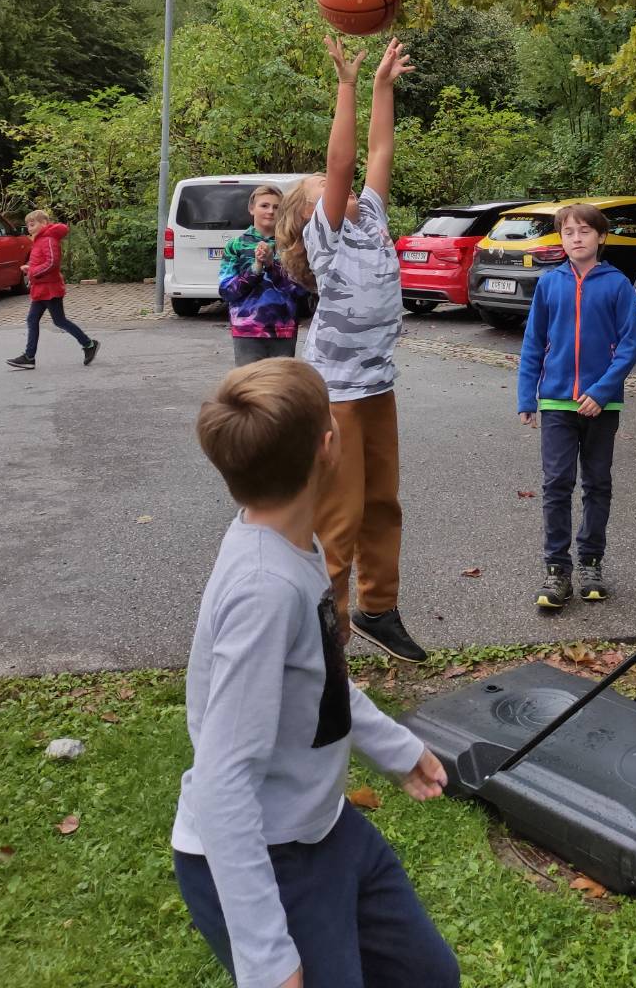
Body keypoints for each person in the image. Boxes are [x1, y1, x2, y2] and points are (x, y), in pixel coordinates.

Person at [172, 357, 459, 988]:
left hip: (324, 828)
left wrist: (397, 749)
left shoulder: (291, 543)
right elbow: (223, 785)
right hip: (268, 857)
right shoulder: (263, 590)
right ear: (329, 447)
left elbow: (317, 679)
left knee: (427, 975)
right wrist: (269, 959)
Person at [274, 37, 427, 664]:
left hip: (377, 386)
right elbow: (341, 167)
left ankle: (377, 608)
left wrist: (384, 86)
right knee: (338, 522)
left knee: (383, 503)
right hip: (335, 396)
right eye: (323, 189)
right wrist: (346, 85)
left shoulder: (371, 219)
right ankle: (324, 641)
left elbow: (378, 153)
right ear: (314, 213)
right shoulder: (329, 237)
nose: (337, 189)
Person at [516, 202, 636, 611]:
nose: (576, 238)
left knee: (597, 483)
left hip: (601, 406)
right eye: (568, 232)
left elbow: (629, 345)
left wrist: (602, 392)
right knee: (556, 485)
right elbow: (534, 343)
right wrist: (526, 395)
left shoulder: (617, 284)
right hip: (556, 401)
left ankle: (590, 562)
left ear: (600, 237)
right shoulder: (550, 284)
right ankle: (557, 569)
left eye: (584, 231)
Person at [219, 183, 312, 367]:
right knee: (250, 389)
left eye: (276, 207)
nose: (270, 211)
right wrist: (256, 269)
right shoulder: (236, 245)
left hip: (283, 329)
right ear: (251, 209)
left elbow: (300, 290)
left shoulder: (292, 246)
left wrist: (272, 266)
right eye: (264, 205)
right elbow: (227, 290)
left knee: (280, 387)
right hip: (247, 329)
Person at [6, 210, 99, 371]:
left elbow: (52, 263)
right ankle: (29, 357)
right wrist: (30, 267)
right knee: (33, 320)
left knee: (59, 320)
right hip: (41, 289)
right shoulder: (39, 240)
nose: (29, 227)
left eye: (32, 224)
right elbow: (43, 262)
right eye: (27, 224)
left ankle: (89, 344)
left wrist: (33, 271)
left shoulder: (48, 239)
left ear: (44, 223)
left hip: (50, 288)